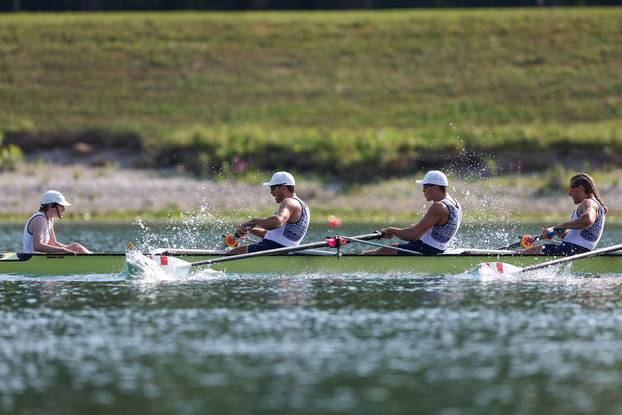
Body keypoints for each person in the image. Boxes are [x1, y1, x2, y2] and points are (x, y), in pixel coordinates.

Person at [365, 170, 462, 255]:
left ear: (434, 188)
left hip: (426, 250)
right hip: (436, 249)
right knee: (388, 248)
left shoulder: (438, 206)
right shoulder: (455, 204)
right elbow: (441, 226)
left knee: (383, 251)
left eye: (425, 186)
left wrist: (391, 230)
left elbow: (413, 235)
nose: (423, 190)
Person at [522, 173, 607, 256]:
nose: (569, 194)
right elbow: (578, 235)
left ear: (580, 188)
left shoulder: (588, 202)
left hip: (572, 249)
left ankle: (512, 258)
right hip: (579, 250)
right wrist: (554, 231)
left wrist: (563, 225)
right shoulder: (597, 205)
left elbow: (587, 220)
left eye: (571, 189)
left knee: (525, 252)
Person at [228, 171, 310, 254]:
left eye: (272, 188)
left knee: (231, 254)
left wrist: (254, 221)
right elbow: (273, 234)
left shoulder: (289, 202)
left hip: (274, 248)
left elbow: (277, 222)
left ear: (283, 188)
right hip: (286, 250)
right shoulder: (304, 206)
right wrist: (250, 230)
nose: (271, 192)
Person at [22, 190, 92, 254]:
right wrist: (63, 250)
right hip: (32, 259)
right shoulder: (40, 219)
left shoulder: (50, 219)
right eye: (61, 206)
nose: (64, 210)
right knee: (73, 248)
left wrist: (70, 249)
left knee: (76, 246)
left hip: (42, 257)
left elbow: (52, 243)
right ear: (51, 205)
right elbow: (37, 246)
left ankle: (95, 258)